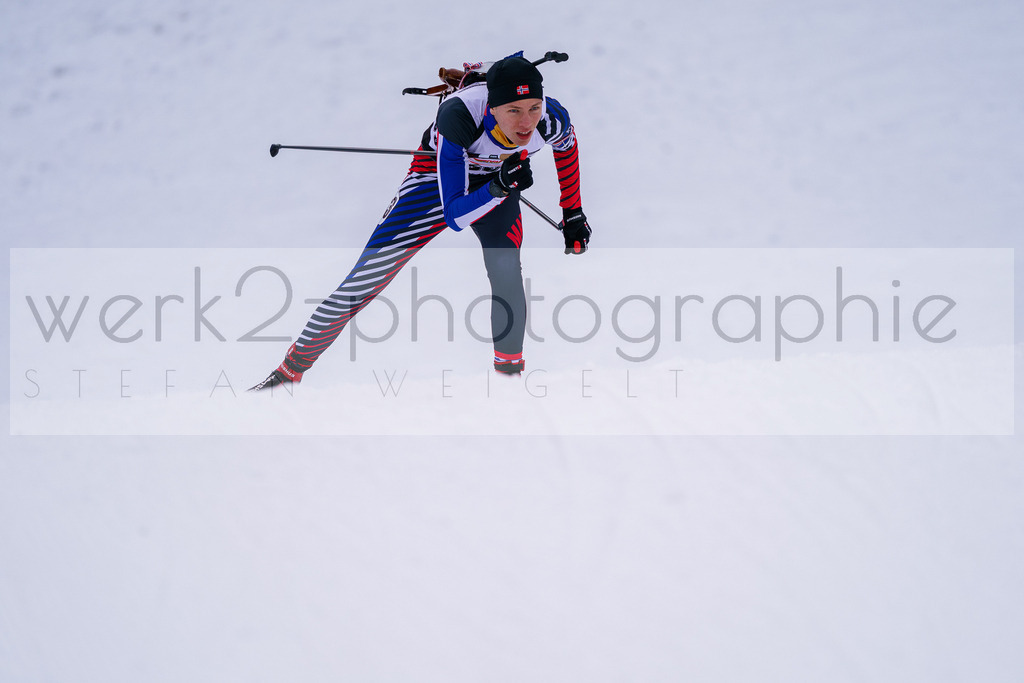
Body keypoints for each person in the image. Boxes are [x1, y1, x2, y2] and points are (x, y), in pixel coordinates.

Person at [250, 52, 592, 392]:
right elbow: (455, 214)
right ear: (492, 106)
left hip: (499, 180)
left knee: (506, 274)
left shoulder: (551, 118)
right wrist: (499, 186)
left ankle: (509, 385)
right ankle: (284, 377)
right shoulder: (459, 115)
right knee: (365, 280)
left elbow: (566, 147)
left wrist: (573, 213)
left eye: (533, 107)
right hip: (436, 180)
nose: (526, 122)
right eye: (513, 111)